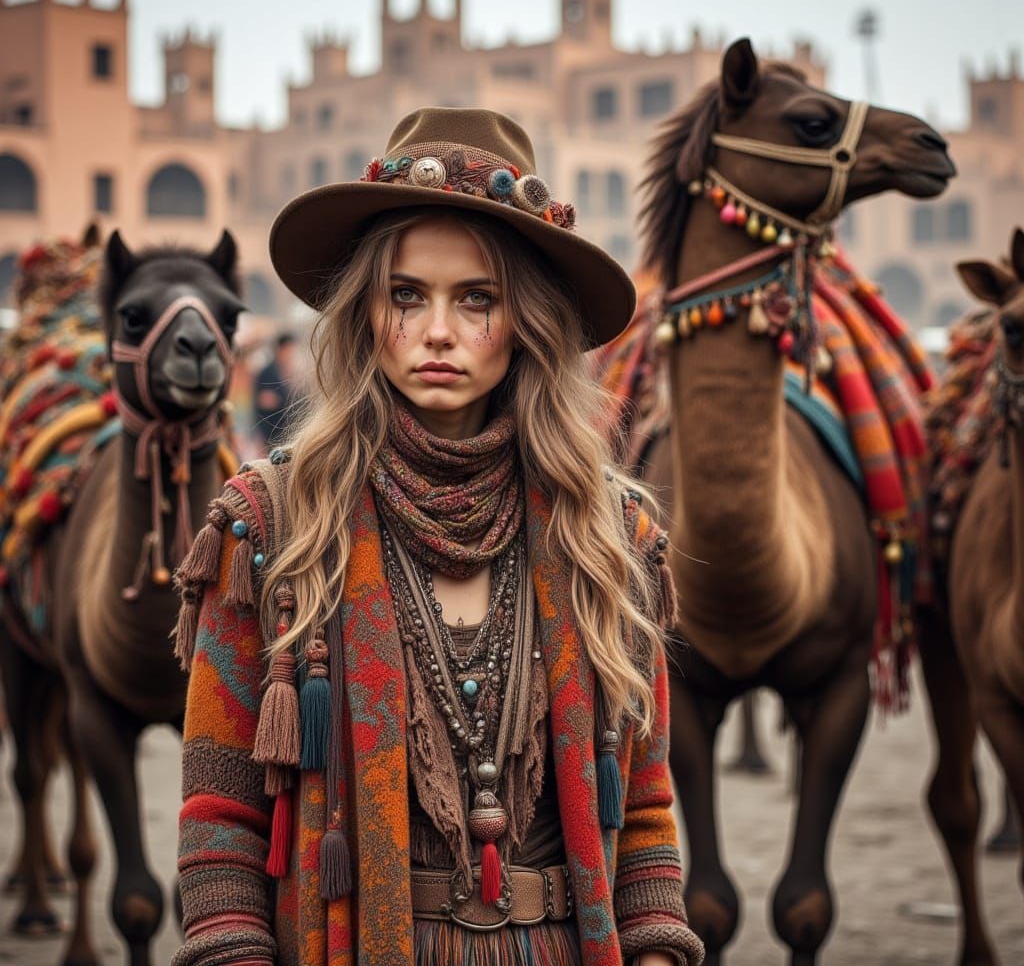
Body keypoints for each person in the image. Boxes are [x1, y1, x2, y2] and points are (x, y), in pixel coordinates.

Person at [171, 107, 704, 966]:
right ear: (364, 312)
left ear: (528, 318)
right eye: (407, 295)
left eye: (478, 299)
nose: (439, 332)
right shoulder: (272, 523)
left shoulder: (611, 533)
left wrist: (651, 950)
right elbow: (219, 815)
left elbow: (643, 809)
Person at [253, 332, 301, 449]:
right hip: (271, 432)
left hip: (287, 431)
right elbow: (264, 401)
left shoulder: (290, 371)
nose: (291, 354)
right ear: (281, 349)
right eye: (289, 350)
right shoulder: (267, 372)